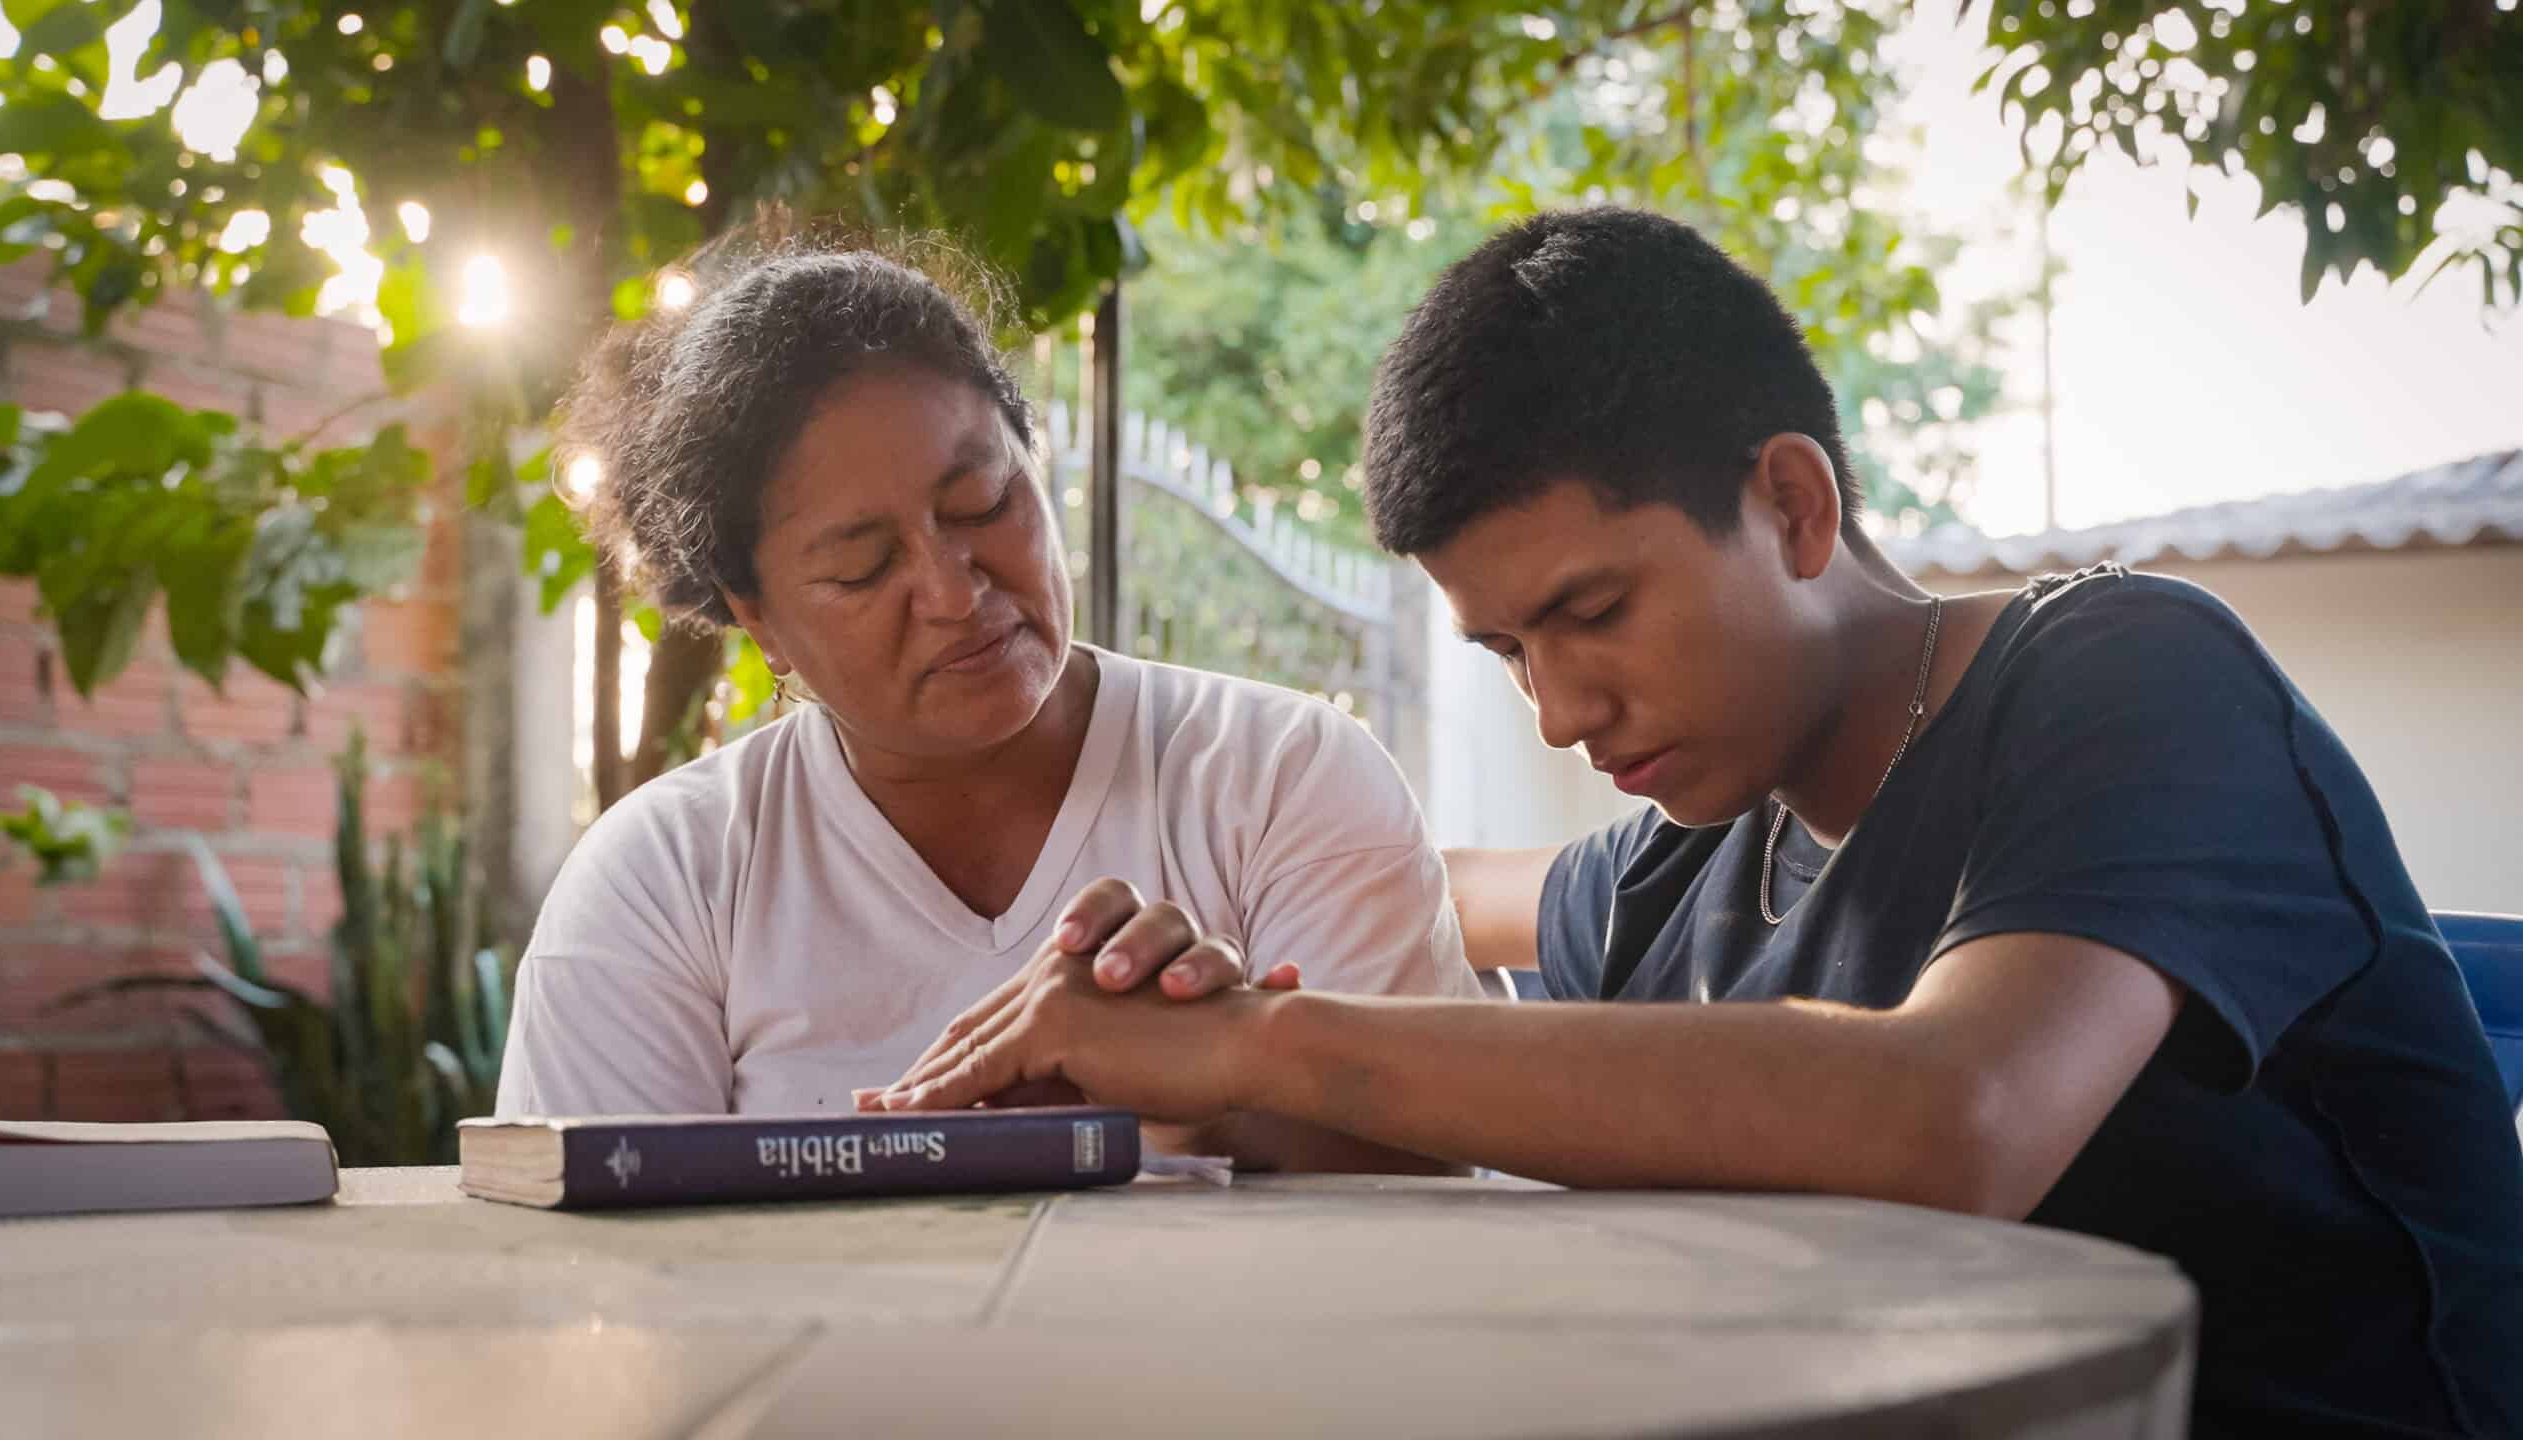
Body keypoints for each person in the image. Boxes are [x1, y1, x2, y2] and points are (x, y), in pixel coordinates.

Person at [864, 207, 2523, 1436]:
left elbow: (1954, 1122)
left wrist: (1269, 1051)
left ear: (1794, 504)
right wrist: (1181, 1042)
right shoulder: (1668, 884)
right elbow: (1462, 928)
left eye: (1595, 609)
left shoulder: (2123, 672)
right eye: (1511, 650)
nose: (1562, 710)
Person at [493, 221, 1477, 1173]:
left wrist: (1222, 1083)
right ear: (757, 618)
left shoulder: (1279, 780)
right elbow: (592, 1275)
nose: (956, 592)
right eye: (862, 567)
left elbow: (1430, 1176)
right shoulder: (665, 884)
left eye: (984, 504)